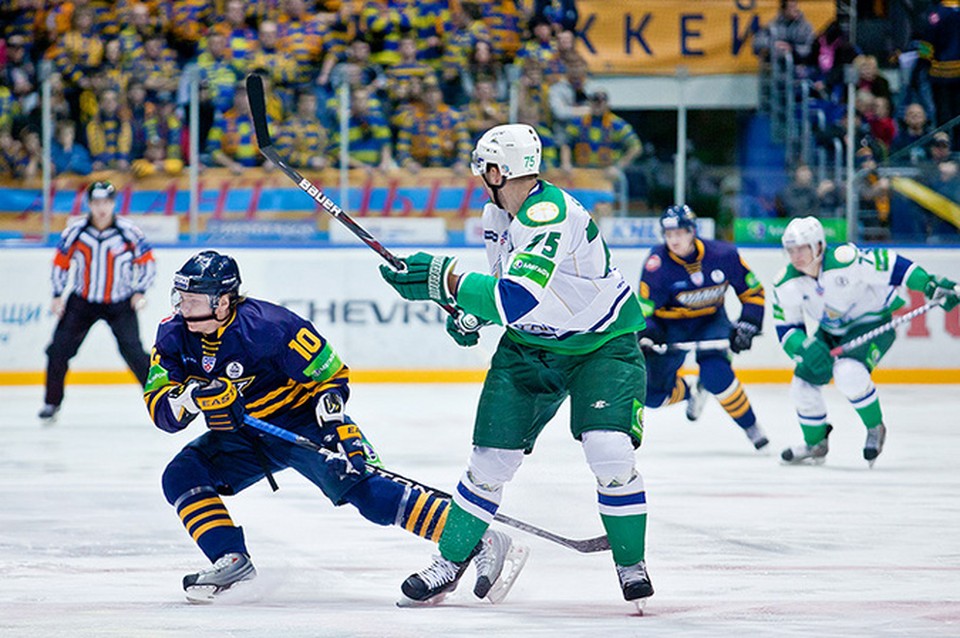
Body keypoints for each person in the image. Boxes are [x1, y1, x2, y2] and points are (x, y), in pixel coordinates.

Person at [143, 251, 524, 603]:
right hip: (245, 435)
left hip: (302, 423)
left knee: (371, 497)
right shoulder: (173, 334)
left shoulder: (270, 327)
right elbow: (161, 409)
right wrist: (190, 397)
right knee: (182, 475)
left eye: (191, 299)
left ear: (222, 301)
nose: (181, 306)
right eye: (179, 297)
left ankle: (479, 537)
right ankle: (230, 559)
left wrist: (336, 429)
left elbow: (331, 377)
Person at [379, 124, 653, 610]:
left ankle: (631, 562)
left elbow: (518, 295)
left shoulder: (549, 213)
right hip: (529, 349)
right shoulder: (496, 214)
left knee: (609, 451)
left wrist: (442, 279)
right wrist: (471, 313)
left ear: (495, 170)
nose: (479, 178)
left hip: (601, 346)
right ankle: (450, 561)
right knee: (489, 462)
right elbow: (511, 296)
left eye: (482, 169)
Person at [774, 217, 959, 466]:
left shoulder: (845, 260)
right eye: (791, 250)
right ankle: (815, 444)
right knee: (801, 386)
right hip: (830, 331)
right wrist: (803, 347)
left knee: (848, 373)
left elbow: (892, 265)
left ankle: (875, 427)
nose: (796, 256)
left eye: (802, 248)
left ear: (818, 246)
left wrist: (927, 284)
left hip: (872, 323)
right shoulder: (785, 283)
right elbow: (786, 328)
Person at [637, 205, 770, 451]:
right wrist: (648, 332)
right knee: (652, 395)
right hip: (669, 327)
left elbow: (752, 292)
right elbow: (644, 310)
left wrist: (749, 323)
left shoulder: (723, 255)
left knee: (717, 376)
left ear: (692, 231)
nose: (673, 240)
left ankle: (751, 426)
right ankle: (690, 392)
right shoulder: (657, 265)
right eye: (668, 234)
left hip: (710, 321)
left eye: (679, 233)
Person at [40, 181, 156, 422]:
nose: (101, 208)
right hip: (83, 302)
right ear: (89, 204)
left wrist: (140, 290)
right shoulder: (76, 231)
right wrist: (57, 295)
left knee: (134, 352)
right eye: (96, 203)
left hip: (120, 303)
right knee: (58, 350)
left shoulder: (128, 232)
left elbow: (147, 262)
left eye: (106, 202)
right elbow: (61, 263)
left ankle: (158, 401)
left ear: (113, 204)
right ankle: (52, 403)